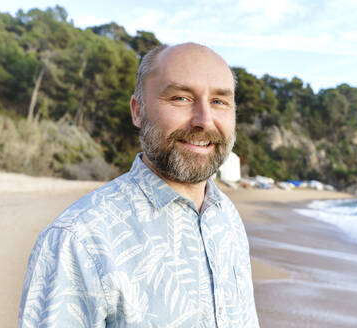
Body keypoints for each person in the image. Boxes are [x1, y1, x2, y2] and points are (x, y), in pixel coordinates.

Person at [18, 42, 259, 327]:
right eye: (181, 98)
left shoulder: (227, 217)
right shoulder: (78, 239)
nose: (204, 121)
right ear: (137, 111)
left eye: (219, 101)